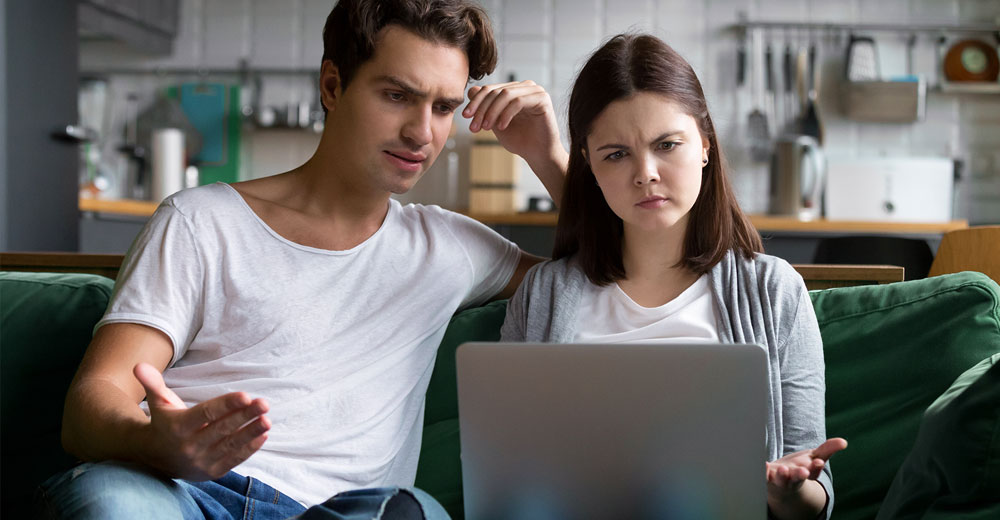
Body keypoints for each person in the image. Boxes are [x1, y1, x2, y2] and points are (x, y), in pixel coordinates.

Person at [38, 1, 568, 519]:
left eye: (443, 108)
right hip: (181, 492)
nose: (421, 133)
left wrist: (547, 154)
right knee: (114, 502)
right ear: (333, 86)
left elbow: (620, 270)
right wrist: (156, 442)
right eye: (396, 95)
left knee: (412, 513)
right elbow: (93, 402)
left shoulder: (450, 246)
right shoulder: (201, 220)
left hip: (346, 510)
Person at [500, 33, 847, 520]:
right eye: (616, 154)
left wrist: (787, 491)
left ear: (704, 144)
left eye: (667, 145)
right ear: (588, 165)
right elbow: (508, 475)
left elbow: (813, 491)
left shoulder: (774, 291)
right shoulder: (545, 295)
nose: (645, 173)